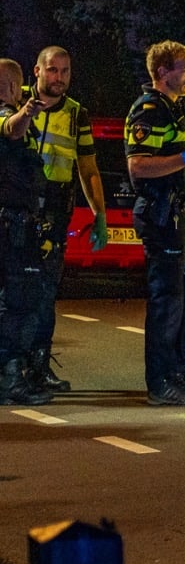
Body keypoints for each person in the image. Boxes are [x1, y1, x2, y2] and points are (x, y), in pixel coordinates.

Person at [125, 40, 185, 406]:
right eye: (184, 69)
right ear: (162, 72)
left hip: (183, 215)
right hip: (162, 215)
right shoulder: (148, 110)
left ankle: (176, 370)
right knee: (168, 301)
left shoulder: (177, 108)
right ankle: (161, 382)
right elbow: (138, 166)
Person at [17, 46, 109, 394]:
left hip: (54, 211)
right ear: (37, 71)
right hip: (19, 208)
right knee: (13, 292)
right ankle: (14, 365)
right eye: (53, 70)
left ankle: (39, 368)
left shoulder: (76, 114)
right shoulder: (17, 105)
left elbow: (87, 168)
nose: (60, 78)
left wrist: (99, 216)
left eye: (66, 71)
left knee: (44, 293)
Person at [1, 60, 55, 405]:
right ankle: (9, 379)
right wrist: (26, 113)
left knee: (18, 301)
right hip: (9, 224)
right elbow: (10, 129)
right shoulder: (9, 115)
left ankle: (14, 373)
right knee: (15, 303)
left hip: (20, 221)